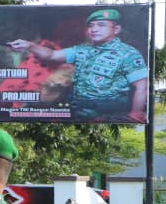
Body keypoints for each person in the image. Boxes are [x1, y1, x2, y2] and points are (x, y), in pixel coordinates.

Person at [8, 8, 149, 122]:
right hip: (78, 111)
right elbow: (51, 55)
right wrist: (29, 45)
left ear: (116, 29)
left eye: (101, 25)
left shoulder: (128, 53)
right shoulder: (81, 50)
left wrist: (135, 115)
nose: (94, 29)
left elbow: (141, 86)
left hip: (108, 114)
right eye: (91, 26)